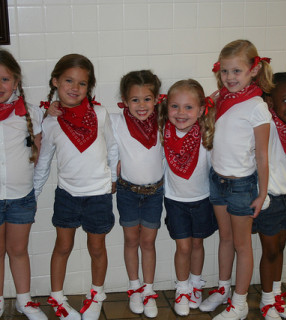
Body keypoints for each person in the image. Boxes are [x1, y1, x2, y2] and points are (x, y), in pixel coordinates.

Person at [34, 54, 116, 320]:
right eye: (68, 80)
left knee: (97, 248)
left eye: (82, 83)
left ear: (89, 87)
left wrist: (113, 178)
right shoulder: (50, 121)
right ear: (56, 81)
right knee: (63, 246)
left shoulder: (101, 113)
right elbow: (43, 161)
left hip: (99, 195)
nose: (74, 87)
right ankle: (56, 296)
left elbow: (112, 147)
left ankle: (96, 295)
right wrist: (34, 193)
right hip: (67, 195)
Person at [200, 39, 273, 320]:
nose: (229, 78)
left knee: (242, 245)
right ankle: (223, 289)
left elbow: (263, 156)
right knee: (225, 239)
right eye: (225, 71)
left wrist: (262, 193)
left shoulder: (257, 106)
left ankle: (240, 303)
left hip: (242, 186)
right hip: (217, 180)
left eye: (236, 72)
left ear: (253, 71)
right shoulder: (219, 98)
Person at [158, 79, 218, 317]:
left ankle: (195, 283)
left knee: (197, 244)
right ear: (167, 108)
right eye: (175, 106)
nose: (181, 113)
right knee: (182, 247)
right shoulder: (163, 132)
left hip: (203, 199)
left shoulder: (207, 134)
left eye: (188, 107)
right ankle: (182, 289)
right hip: (175, 201)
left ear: (201, 110)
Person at [109, 70, 163, 318]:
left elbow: (194, 108)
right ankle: (134, 287)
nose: (141, 106)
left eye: (147, 99)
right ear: (124, 99)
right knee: (131, 241)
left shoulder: (165, 121)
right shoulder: (115, 121)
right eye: (135, 100)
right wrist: (56, 107)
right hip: (127, 192)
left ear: (157, 99)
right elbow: (86, 115)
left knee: (148, 242)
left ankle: (149, 289)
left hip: (155, 192)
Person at [253, 72, 286, 320]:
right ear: (270, 101)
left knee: (281, 248)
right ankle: (266, 300)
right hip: (270, 199)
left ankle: (275, 291)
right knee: (270, 251)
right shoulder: (267, 125)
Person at [0, 49, 47, 320]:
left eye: (5, 79)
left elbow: (39, 155)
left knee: (18, 250)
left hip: (20, 197)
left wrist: (35, 188)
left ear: (16, 82)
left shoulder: (29, 113)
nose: (0, 86)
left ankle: (24, 301)